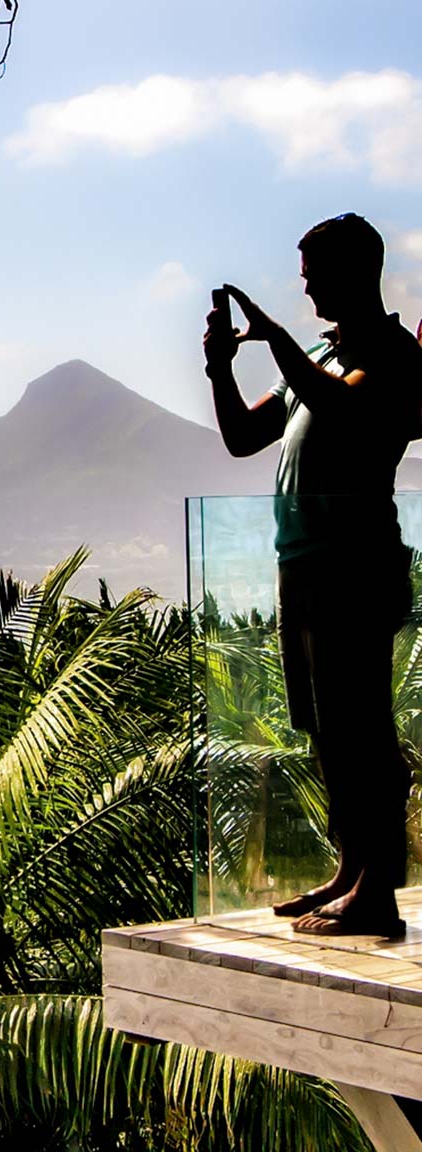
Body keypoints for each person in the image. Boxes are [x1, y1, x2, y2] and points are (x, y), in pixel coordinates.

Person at [206, 212, 422, 938]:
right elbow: (242, 437)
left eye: (314, 277)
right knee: (328, 731)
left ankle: (378, 894)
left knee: (362, 729)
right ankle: (352, 869)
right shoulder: (324, 356)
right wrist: (221, 369)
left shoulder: (387, 353)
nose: (305, 291)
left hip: (355, 564)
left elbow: (351, 410)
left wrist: (277, 340)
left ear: (357, 271)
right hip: (301, 565)